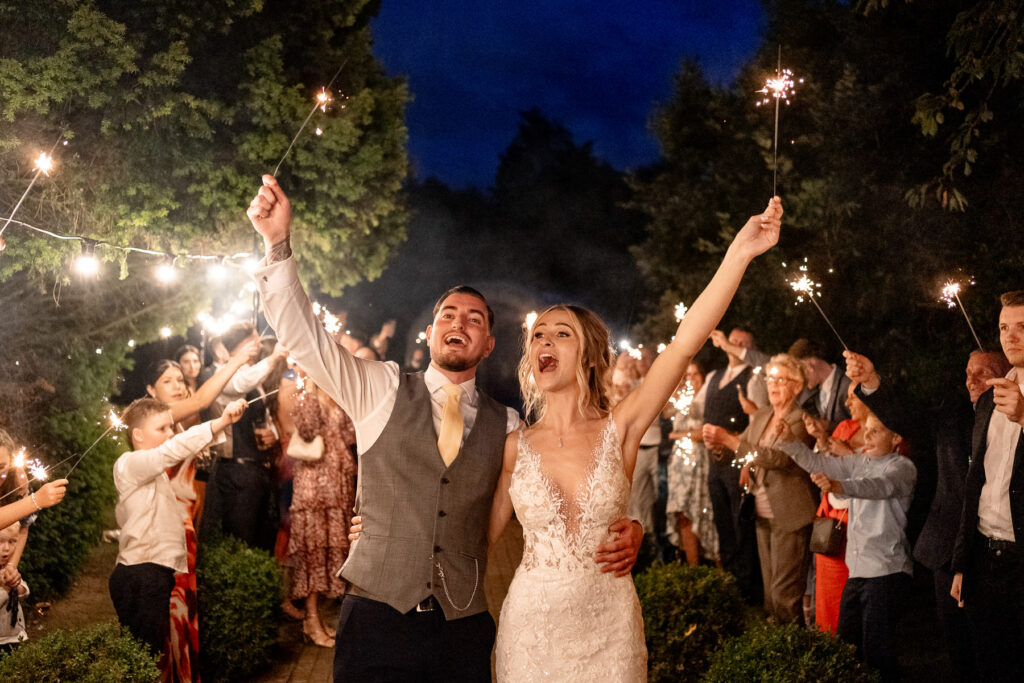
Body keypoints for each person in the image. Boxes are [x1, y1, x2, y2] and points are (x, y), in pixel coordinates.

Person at [247, 173, 646, 682]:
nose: (459, 323)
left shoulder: (509, 427)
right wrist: (277, 245)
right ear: (431, 331)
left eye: (475, 319)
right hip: (376, 619)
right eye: (448, 315)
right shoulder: (378, 389)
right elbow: (306, 339)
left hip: (462, 629)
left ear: (489, 345)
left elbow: (569, 493)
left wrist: (630, 526)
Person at [488, 197, 783, 680]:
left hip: (610, 628)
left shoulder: (619, 428)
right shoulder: (513, 447)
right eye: (538, 335)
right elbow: (470, 542)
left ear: (586, 356)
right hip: (531, 630)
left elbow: (686, 339)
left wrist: (739, 254)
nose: (544, 342)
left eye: (560, 334)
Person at [846, 348, 1007, 678]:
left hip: (993, 553)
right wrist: (872, 381)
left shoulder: (1012, 421)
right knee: (956, 644)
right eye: (968, 372)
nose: (972, 380)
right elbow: (907, 416)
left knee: (993, 650)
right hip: (946, 550)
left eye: (983, 372)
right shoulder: (953, 415)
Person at [109, 396, 246, 663]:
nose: (171, 434)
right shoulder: (128, 463)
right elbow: (171, 450)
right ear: (137, 434)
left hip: (153, 573)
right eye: (162, 429)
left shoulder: (153, 472)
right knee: (144, 663)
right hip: (140, 574)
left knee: (151, 660)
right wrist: (221, 420)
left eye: (171, 428)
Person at [781, 414, 916, 682]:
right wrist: (789, 442)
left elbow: (878, 486)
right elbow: (820, 462)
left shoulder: (903, 467)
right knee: (846, 647)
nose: (866, 437)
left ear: (896, 438)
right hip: (857, 572)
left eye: (876, 431)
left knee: (878, 653)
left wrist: (839, 485)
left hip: (886, 570)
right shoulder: (858, 462)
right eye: (866, 431)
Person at [703, 354, 816, 624]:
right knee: (769, 595)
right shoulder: (763, 415)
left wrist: (728, 440)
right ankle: (774, 653)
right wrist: (718, 447)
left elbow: (779, 458)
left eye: (780, 379)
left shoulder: (800, 420)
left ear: (797, 385)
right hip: (762, 513)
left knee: (785, 594)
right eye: (769, 378)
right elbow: (742, 446)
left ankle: (795, 656)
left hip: (790, 515)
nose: (773, 384)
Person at [950, 290, 1024, 682]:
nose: (1010, 336)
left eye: (1022, 327)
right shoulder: (987, 400)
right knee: (989, 667)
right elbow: (972, 484)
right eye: (1003, 327)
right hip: (984, 560)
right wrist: (962, 564)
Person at [698, 325, 768, 602]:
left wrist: (747, 463)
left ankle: (748, 589)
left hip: (740, 461)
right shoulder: (714, 377)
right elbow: (694, 411)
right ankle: (729, 583)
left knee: (742, 525)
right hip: (714, 463)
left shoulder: (754, 378)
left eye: (742, 343)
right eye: (732, 340)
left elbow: (760, 422)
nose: (734, 345)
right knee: (722, 522)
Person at [288, 380, 357, 647]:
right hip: (314, 487)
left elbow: (351, 434)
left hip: (337, 485)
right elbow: (306, 430)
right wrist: (311, 391)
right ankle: (311, 619)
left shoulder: (338, 393)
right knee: (313, 553)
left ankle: (316, 618)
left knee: (329, 553)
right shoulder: (307, 396)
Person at [803, 382, 872, 634]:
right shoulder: (845, 427)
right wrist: (821, 439)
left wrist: (848, 455)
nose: (847, 403)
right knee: (828, 598)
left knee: (853, 603)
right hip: (833, 523)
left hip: (862, 525)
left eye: (853, 398)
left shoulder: (886, 433)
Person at [666, 362, 718, 565]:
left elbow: (702, 434)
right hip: (679, 464)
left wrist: (678, 435)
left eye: (696, 374)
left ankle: (716, 565)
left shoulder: (709, 398)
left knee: (703, 510)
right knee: (683, 512)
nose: (692, 378)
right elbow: (664, 413)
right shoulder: (681, 400)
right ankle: (692, 568)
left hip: (701, 460)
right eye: (687, 375)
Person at [789, 338, 852, 430]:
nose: (800, 378)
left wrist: (828, 426)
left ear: (810, 364)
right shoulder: (814, 393)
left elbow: (861, 425)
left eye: (801, 370)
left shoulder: (847, 385)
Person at [0, 521, 28, 653]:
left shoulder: (8, 567)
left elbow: (24, 591)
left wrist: (16, 585)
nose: (6, 548)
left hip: (15, 637)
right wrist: (5, 588)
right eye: (0, 541)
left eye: (12, 542)